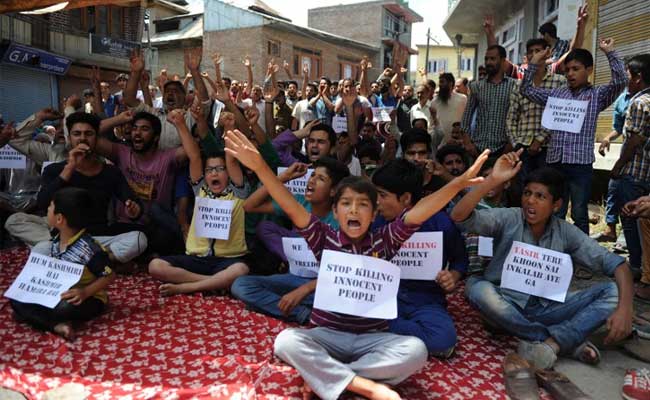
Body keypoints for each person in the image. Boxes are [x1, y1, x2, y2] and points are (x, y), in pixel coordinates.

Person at [224, 126, 489, 400]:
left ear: (374, 213)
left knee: (417, 351)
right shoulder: (323, 238)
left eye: (362, 204)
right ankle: (366, 386)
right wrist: (258, 166)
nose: (353, 209)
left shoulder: (384, 241)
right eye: (346, 203)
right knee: (286, 341)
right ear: (335, 212)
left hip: (373, 339)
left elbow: (419, 213)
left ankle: (328, 379)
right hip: (328, 335)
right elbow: (290, 205)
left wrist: (457, 183)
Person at [450, 151, 634, 370]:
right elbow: (459, 216)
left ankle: (549, 342)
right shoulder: (509, 217)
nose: (530, 200)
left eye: (540, 196)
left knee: (612, 292)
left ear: (556, 205)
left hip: (546, 308)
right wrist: (492, 180)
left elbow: (619, 265)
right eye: (527, 193)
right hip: (504, 301)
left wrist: (626, 309)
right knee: (476, 288)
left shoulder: (566, 232)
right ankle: (560, 342)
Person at [5, 112, 147, 265]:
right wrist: (69, 168)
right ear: (70, 139)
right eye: (77, 134)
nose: (82, 138)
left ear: (96, 138)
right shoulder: (55, 170)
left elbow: (132, 203)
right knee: (15, 222)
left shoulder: (110, 172)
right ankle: (97, 261)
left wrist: (133, 210)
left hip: (95, 237)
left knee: (139, 239)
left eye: (89, 134)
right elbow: (43, 203)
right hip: (60, 235)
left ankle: (72, 257)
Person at [521, 39, 627, 234]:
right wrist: (534, 62)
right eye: (567, 69)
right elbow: (526, 90)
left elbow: (621, 81)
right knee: (554, 212)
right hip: (555, 162)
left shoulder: (597, 95)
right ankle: (554, 250)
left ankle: (580, 258)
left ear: (589, 70)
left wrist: (610, 52)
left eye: (576, 69)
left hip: (580, 165)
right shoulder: (557, 94)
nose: (570, 74)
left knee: (579, 212)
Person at [231, 157, 349, 324]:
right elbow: (249, 206)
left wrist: (304, 290)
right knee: (241, 285)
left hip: (323, 285)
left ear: (333, 191)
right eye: (312, 175)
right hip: (293, 276)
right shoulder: (299, 202)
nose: (312, 180)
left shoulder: (342, 218)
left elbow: (343, 272)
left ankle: (277, 304)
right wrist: (284, 176)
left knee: (341, 304)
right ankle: (305, 314)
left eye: (321, 178)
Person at [371, 159, 469, 357]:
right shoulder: (375, 222)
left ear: (406, 198)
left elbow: (461, 260)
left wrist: (453, 276)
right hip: (386, 298)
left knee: (443, 341)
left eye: (382, 195)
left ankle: (381, 333)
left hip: (426, 301)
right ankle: (387, 331)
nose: (376, 202)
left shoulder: (440, 222)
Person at [148, 109, 250, 296]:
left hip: (227, 260)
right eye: (209, 170)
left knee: (241, 271)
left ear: (228, 173)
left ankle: (187, 286)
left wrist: (229, 128)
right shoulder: (201, 190)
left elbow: (232, 161)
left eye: (220, 169)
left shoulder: (238, 193)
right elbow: (194, 156)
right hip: (197, 260)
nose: (214, 173)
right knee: (155, 266)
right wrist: (180, 124)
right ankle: (213, 283)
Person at [9, 187, 116, 341]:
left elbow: (110, 275)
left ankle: (39, 318)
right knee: (16, 298)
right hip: (59, 291)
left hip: (88, 298)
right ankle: (55, 325)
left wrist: (84, 292)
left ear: (59, 219)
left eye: (50, 207)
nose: (47, 210)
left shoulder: (90, 249)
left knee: (63, 308)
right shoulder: (57, 239)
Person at [608, 54, 650, 282]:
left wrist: (617, 166)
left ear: (638, 77)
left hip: (633, 172)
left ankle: (636, 266)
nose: (626, 79)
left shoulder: (637, 103)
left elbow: (634, 141)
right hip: (647, 174)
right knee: (644, 224)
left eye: (628, 74)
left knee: (631, 220)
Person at [506, 38, 566, 182]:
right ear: (527, 57)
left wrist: (539, 140)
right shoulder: (520, 85)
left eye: (538, 51)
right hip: (523, 147)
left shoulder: (560, 81)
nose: (535, 55)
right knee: (523, 190)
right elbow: (511, 117)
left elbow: (558, 115)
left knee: (546, 189)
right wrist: (516, 144)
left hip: (549, 147)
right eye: (531, 52)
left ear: (548, 53)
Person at [461, 45, 516, 158]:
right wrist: (468, 143)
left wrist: (511, 144)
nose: (488, 62)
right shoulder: (476, 86)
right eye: (486, 59)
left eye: (492, 59)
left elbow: (519, 117)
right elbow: (466, 117)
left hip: (504, 149)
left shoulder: (514, 86)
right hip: (478, 148)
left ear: (502, 60)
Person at [595, 89, 632, 244]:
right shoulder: (623, 98)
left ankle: (628, 238)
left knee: (632, 195)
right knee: (614, 187)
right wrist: (607, 139)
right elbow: (618, 127)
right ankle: (611, 230)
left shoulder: (644, 99)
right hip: (627, 153)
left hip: (642, 155)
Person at [433, 73, 467, 139]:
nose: (440, 85)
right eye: (440, 82)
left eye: (442, 82)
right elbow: (432, 124)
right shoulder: (434, 102)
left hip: (457, 141)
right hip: (439, 142)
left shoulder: (462, 99)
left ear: (450, 83)